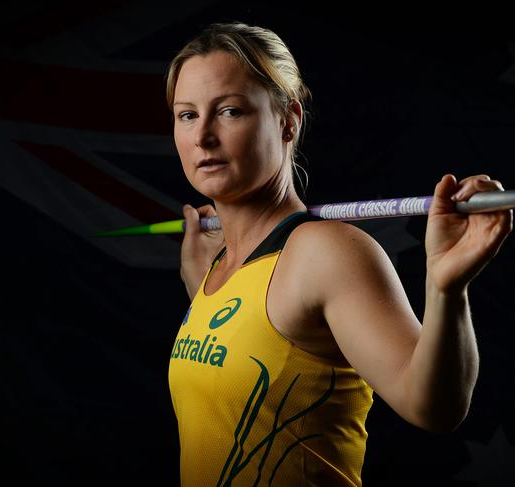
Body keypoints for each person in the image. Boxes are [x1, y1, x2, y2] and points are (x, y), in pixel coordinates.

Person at [166, 21, 512, 486]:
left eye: (229, 111)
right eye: (187, 115)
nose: (203, 136)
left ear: (289, 120)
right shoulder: (216, 268)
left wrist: (445, 287)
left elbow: (434, 407)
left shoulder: (325, 253)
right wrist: (202, 287)